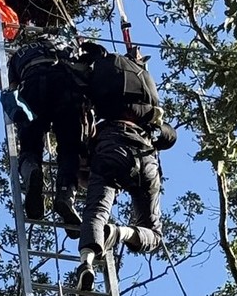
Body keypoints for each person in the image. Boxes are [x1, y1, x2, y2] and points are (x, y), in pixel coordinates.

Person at [72, 43, 176, 291]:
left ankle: (86, 262)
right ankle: (120, 234)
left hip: (112, 147)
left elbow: (80, 113)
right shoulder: (147, 98)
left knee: (97, 210)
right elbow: (170, 137)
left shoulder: (102, 84)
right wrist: (156, 129)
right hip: (146, 155)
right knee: (154, 234)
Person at [5, 35, 89, 226]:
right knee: (70, 149)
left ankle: (32, 171)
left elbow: (12, 89)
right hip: (65, 86)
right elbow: (83, 70)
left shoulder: (19, 54)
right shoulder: (65, 45)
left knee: (30, 145)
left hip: (32, 83)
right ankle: (66, 196)